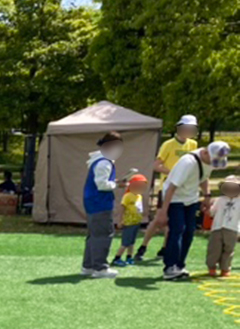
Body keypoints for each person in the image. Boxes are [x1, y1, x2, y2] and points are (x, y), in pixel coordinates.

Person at [159, 141, 231, 280]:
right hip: (175, 198)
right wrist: (163, 211)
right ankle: (170, 267)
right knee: (178, 229)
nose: (213, 164)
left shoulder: (208, 161)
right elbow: (171, 188)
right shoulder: (187, 163)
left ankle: (180, 265)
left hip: (191, 198)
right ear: (205, 152)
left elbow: (204, 177)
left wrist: (207, 196)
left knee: (189, 231)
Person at [139, 115, 199, 257]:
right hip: (167, 188)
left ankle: (165, 248)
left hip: (184, 190)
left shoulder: (193, 145)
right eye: (185, 128)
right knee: (159, 219)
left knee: (175, 223)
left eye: (191, 128)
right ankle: (143, 246)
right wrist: (175, 173)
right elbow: (156, 165)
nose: (188, 131)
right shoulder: (168, 145)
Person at [81, 132, 128, 279]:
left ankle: (88, 265)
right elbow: (102, 184)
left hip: (92, 202)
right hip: (100, 202)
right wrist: (117, 184)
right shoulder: (104, 162)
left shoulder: (99, 160)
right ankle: (100, 267)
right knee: (103, 234)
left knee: (94, 235)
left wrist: (115, 182)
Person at [206, 175, 240, 278]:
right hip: (217, 227)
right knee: (214, 248)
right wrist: (208, 210)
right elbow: (212, 212)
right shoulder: (220, 200)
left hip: (232, 228)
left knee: (228, 249)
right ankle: (212, 266)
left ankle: (225, 268)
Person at [112, 174, 149, 266]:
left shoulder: (139, 196)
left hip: (136, 222)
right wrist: (120, 220)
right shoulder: (127, 196)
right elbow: (122, 208)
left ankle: (129, 257)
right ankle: (117, 258)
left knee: (132, 242)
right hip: (128, 223)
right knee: (125, 242)